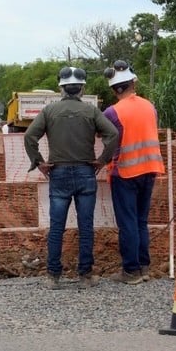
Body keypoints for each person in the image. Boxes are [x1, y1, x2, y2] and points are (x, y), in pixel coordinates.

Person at [24, 66, 118, 290]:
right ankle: (85, 275)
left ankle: (53, 276)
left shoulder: (49, 111)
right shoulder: (91, 111)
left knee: (57, 227)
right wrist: (102, 159)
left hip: (59, 174)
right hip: (86, 172)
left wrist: (39, 163)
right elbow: (112, 134)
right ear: (82, 89)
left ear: (61, 88)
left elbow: (30, 136)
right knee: (86, 226)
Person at [102, 60, 165, 285]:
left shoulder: (112, 112)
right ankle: (144, 266)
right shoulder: (150, 106)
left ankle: (131, 270)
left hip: (126, 171)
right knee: (140, 220)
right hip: (150, 168)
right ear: (132, 83)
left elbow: (103, 138)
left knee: (127, 222)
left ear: (113, 88)